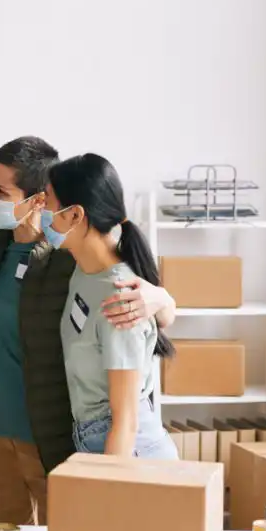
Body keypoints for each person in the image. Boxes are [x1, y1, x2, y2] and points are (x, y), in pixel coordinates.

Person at [0, 137, 177, 527]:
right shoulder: (3, 247)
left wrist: (161, 300)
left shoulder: (87, 274)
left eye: (1, 190)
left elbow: (126, 420)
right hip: (38, 433)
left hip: (79, 438)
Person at [42, 152, 179, 459]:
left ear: (75, 215)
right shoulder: (85, 267)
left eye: (47, 201)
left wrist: (108, 491)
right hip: (93, 438)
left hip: (127, 450)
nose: (41, 210)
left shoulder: (120, 298)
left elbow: (126, 423)